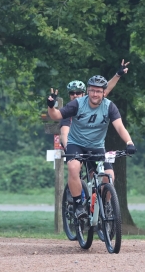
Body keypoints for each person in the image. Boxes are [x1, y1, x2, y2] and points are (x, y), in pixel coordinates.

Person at [47, 74, 136, 219]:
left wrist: (129, 143)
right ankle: (78, 206)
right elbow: (56, 116)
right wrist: (51, 106)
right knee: (74, 167)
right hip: (76, 144)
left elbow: (120, 127)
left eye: (98, 91)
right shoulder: (77, 104)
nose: (95, 94)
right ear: (88, 91)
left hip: (97, 147)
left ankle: (104, 205)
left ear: (104, 93)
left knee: (109, 176)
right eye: (92, 90)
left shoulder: (109, 106)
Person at [59, 59, 130, 149]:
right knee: (76, 161)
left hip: (95, 146)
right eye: (72, 93)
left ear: (85, 93)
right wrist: (67, 147)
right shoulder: (70, 108)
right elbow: (64, 132)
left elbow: (104, 90)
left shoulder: (95, 100)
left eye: (78, 93)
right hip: (76, 145)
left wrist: (118, 75)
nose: (75, 95)